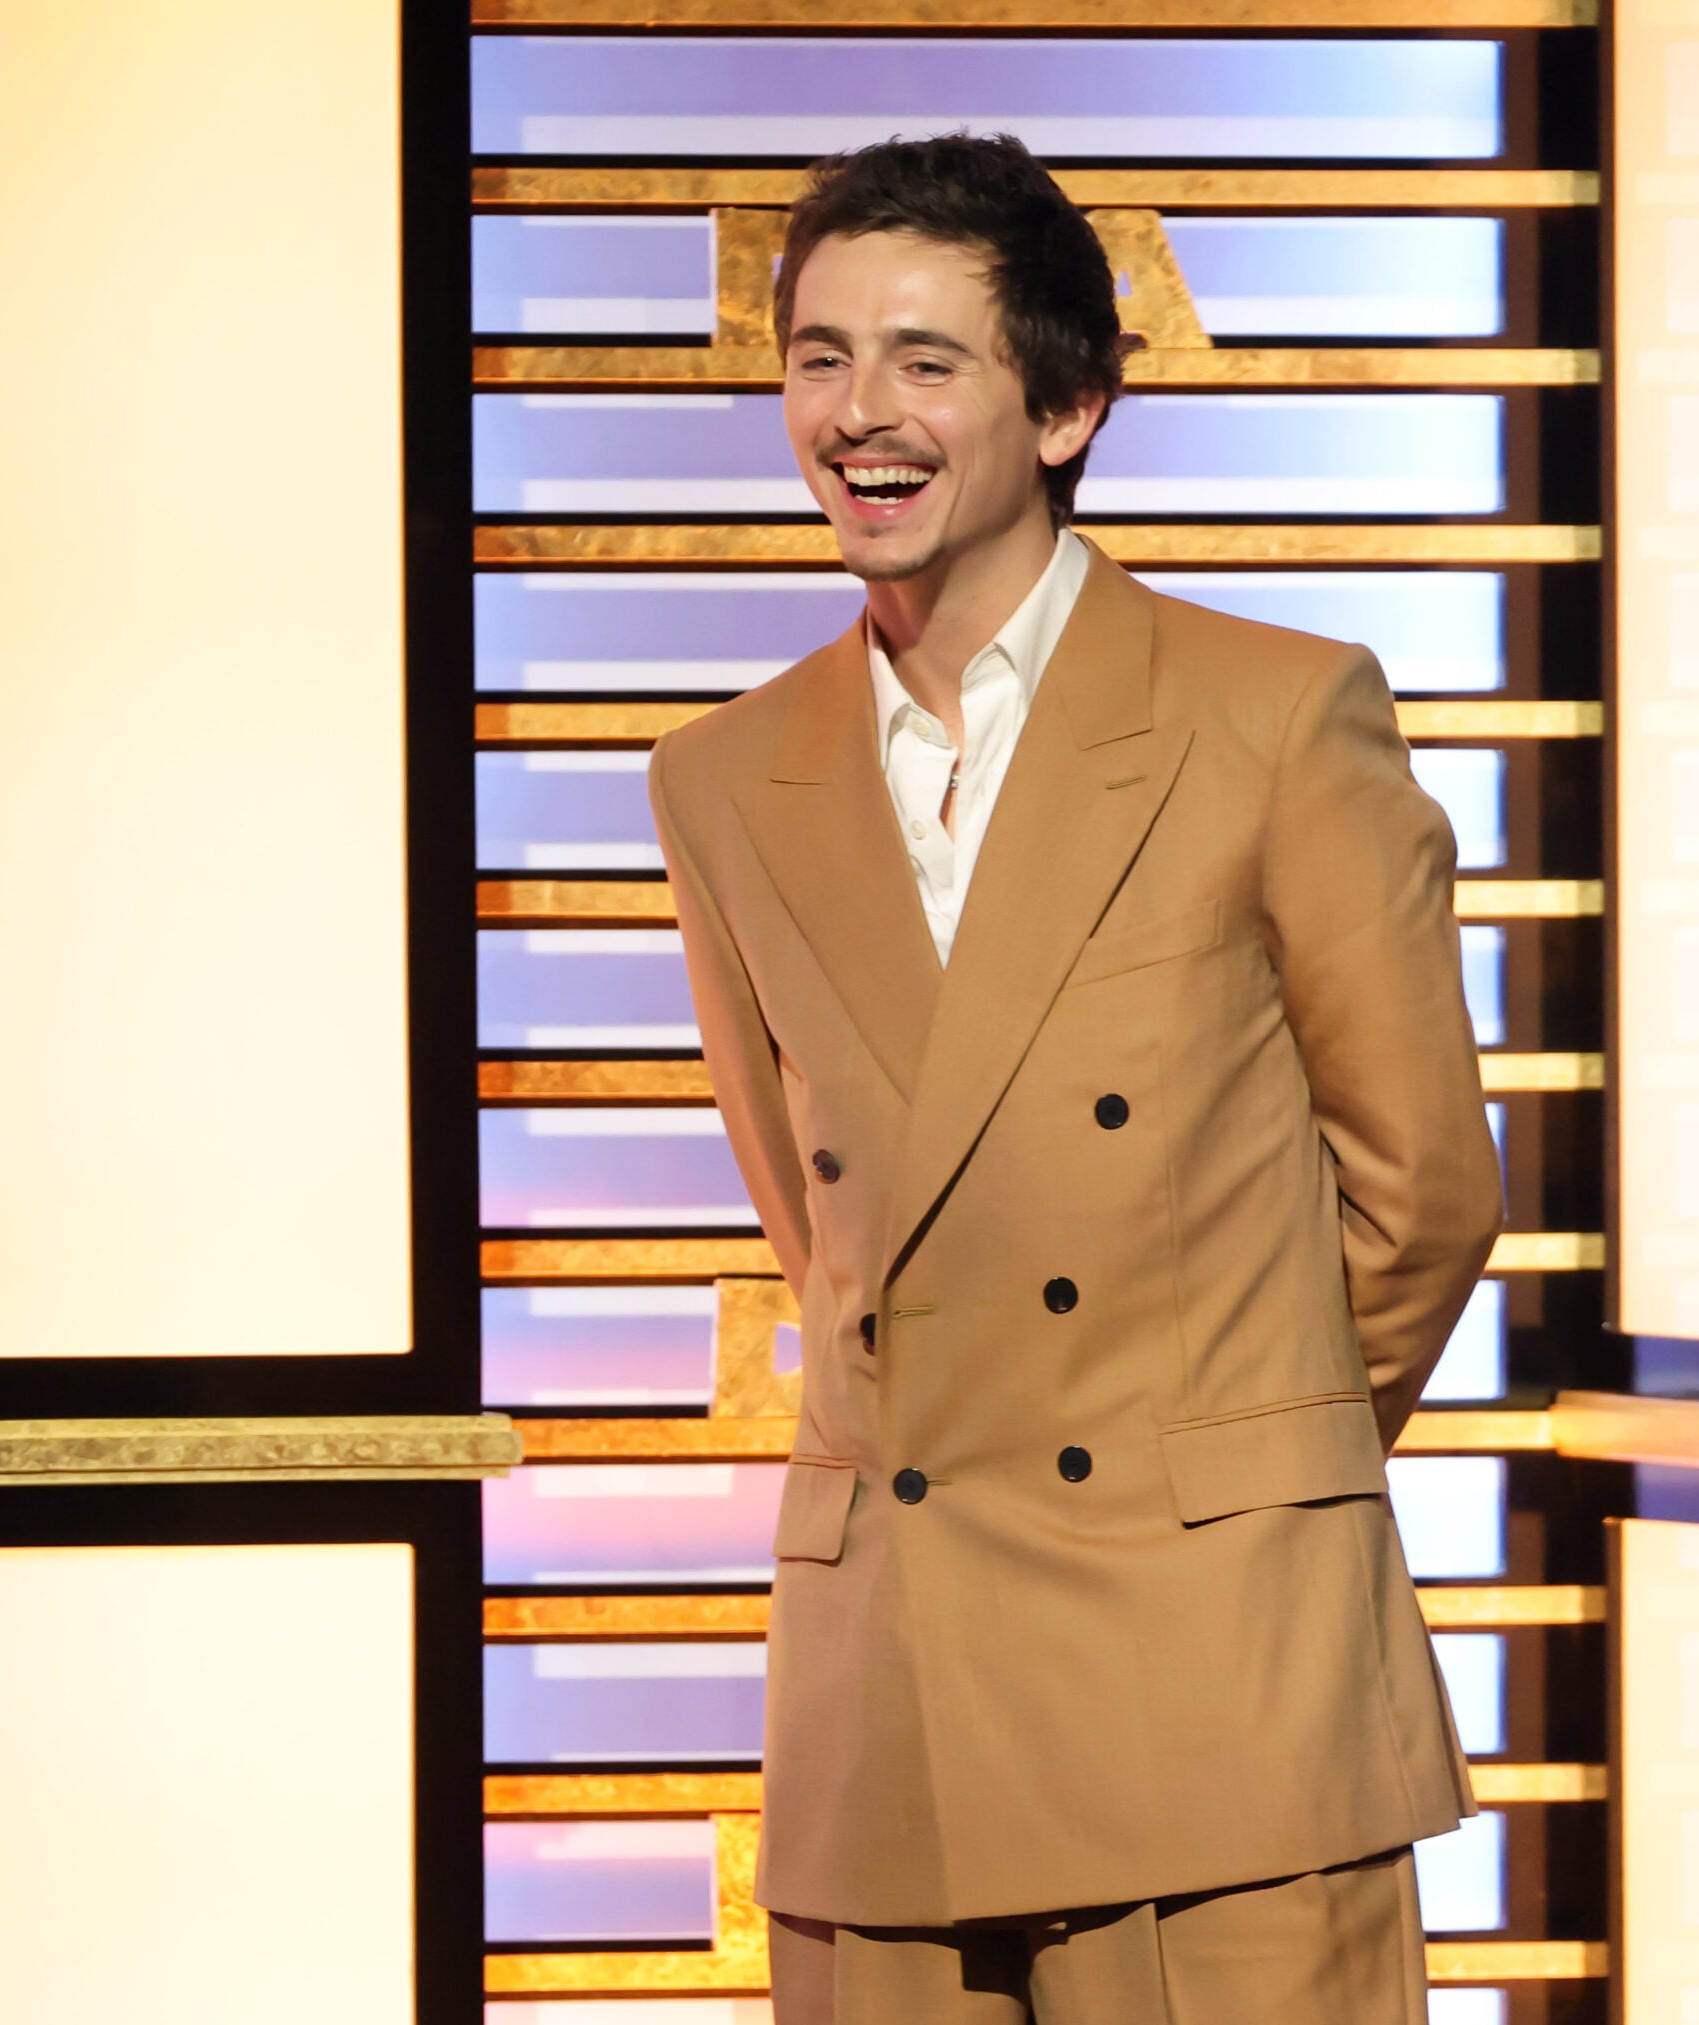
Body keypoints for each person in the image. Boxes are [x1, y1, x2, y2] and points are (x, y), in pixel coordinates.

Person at [647, 132, 1505, 2024]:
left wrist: (1220, 1455)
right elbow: (826, 1222)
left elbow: (1427, 1191)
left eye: (924, 360)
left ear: (1068, 404)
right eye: (816, 354)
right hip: (895, 1696)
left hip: (1218, 1691)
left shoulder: (1272, 714)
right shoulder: (721, 778)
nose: (857, 413)